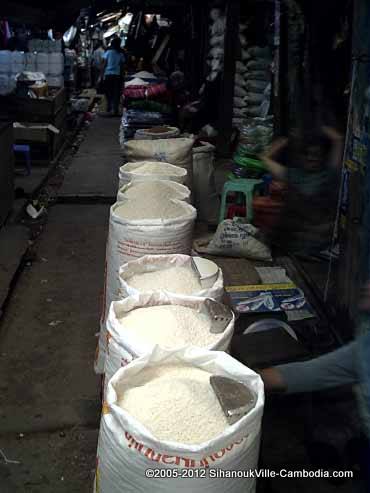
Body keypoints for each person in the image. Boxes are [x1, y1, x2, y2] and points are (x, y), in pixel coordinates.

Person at [260, 126, 343, 256]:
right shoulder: (293, 175)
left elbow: (338, 140)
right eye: (308, 155)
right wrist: (286, 140)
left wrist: (322, 128)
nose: (311, 158)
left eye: (316, 155)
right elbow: (265, 158)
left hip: (318, 241)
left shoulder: (327, 175)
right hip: (295, 241)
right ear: (301, 157)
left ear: (322, 157)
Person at [100, 37, 125, 116]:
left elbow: (103, 64)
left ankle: (109, 108)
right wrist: (122, 76)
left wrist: (101, 76)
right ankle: (115, 110)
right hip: (117, 75)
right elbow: (122, 66)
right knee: (116, 93)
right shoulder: (121, 54)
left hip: (108, 75)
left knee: (108, 92)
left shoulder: (108, 52)